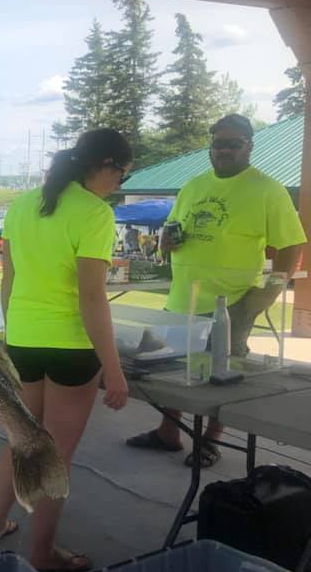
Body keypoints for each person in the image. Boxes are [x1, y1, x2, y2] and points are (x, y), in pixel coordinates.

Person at [0, 129, 132, 572]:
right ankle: (42, 553)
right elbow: (91, 298)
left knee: (22, 441)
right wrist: (114, 369)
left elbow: (8, 282)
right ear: (104, 165)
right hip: (70, 346)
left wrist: (13, 334)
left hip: (24, 339)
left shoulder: (24, 204)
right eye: (121, 174)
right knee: (54, 456)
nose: (119, 183)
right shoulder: (94, 213)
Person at [126, 114, 307, 467]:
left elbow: (291, 246)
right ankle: (168, 434)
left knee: (221, 375)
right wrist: (169, 239)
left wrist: (267, 292)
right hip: (181, 298)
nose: (224, 150)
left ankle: (211, 440)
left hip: (232, 302)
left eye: (233, 143)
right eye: (218, 143)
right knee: (169, 373)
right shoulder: (193, 186)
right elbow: (173, 228)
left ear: (249, 146)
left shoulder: (269, 190)